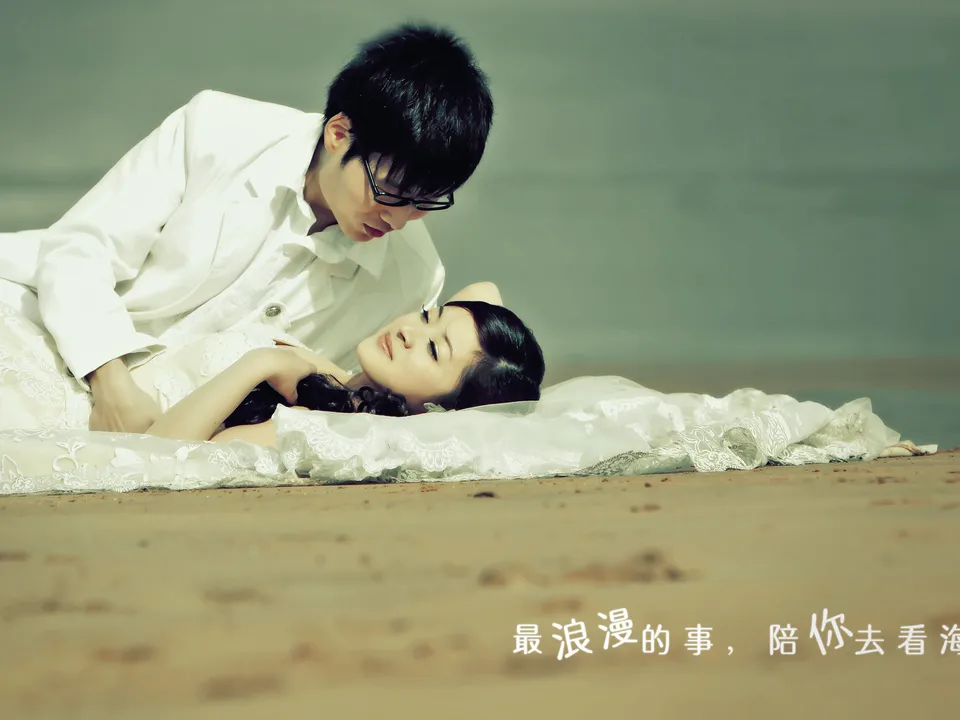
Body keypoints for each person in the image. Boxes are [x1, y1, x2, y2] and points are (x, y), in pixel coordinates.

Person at [0, 24, 494, 435]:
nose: (400, 219)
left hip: (159, 429)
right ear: (339, 134)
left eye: (426, 201)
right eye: (391, 191)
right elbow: (79, 249)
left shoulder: (413, 275)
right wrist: (109, 381)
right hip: (37, 329)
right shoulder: (216, 131)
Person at [0, 282, 545, 447]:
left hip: (53, 410)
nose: (409, 329)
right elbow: (485, 292)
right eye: (427, 315)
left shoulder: (318, 427)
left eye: (431, 349)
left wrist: (260, 362)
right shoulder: (335, 382)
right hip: (65, 364)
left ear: (437, 412)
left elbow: (159, 456)